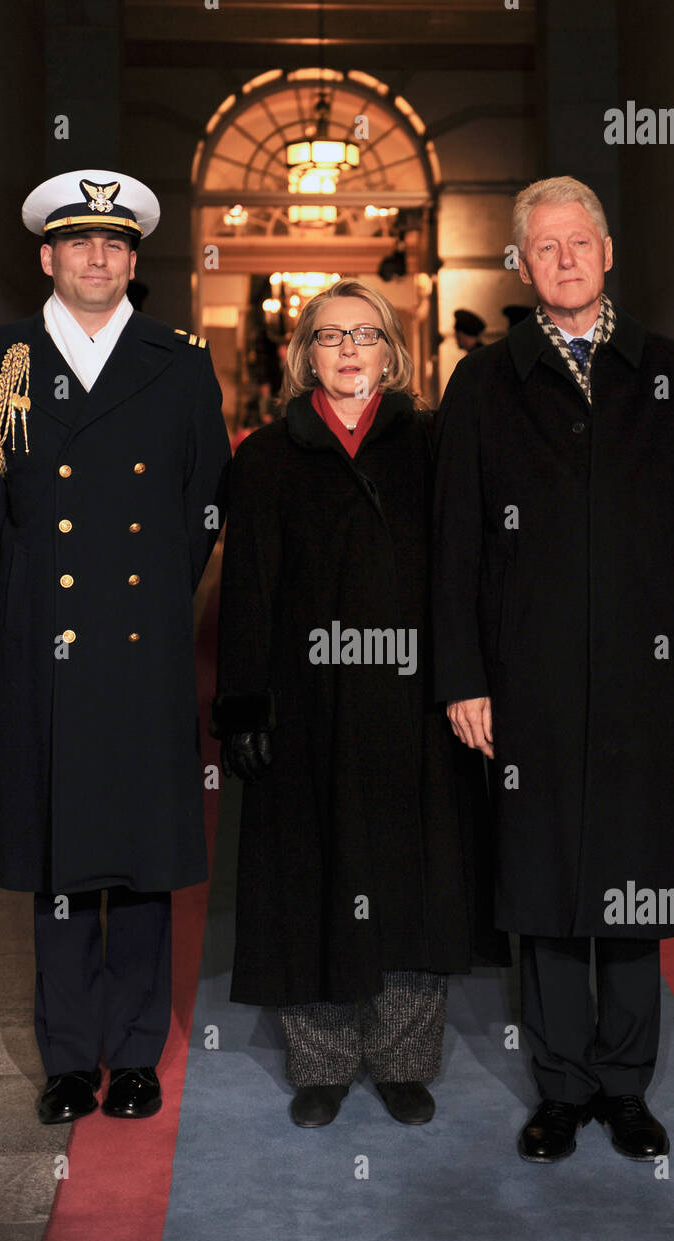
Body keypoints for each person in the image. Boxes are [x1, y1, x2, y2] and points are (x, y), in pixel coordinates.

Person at [432, 176, 674, 1163]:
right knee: (546, 883)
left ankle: (626, 1085)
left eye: (579, 243)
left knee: (638, 882)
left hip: (648, 681)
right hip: (526, 679)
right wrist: (462, 675)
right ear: (520, 265)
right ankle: (559, 1087)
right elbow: (457, 547)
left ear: (607, 254)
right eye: (543, 248)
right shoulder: (483, 383)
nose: (562, 261)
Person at [0, 169, 231, 1125]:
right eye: (78, 242)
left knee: (145, 856)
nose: (97, 258)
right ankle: (71, 1057)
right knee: (61, 858)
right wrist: (45, 595)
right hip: (50, 645)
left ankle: (139, 1052)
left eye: (114, 244)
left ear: (131, 259)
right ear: (48, 255)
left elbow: (206, 501)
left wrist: (157, 592)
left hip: (144, 641)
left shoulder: (179, 359)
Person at [212, 278, 506, 1128]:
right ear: (305, 353)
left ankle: (404, 1058)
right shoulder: (265, 458)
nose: (349, 349)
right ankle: (323, 1061)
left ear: (392, 351)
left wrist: (467, 676)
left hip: (414, 703)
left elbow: (465, 572)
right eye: (331, 335)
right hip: (306, 703)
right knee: (309, 872)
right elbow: (248, 592)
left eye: (366, 334)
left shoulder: (432, 446)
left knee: (413, 873)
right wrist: (245, 704)